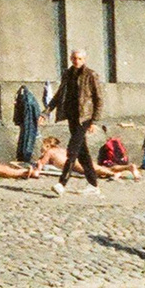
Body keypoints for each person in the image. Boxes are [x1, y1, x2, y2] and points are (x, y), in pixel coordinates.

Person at [51, 46, 104, 195]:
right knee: (83, 152)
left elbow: (98, 99)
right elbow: (59, 94)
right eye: (74, 58)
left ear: (84, 60)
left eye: (79, 58)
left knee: (72, 149)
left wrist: (94, 121)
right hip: (72, 116)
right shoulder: (67, 74)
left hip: (84, 117)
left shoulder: (91, 75)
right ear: (70, 59)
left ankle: (62, 183)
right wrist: (46, 111)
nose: (76, 61)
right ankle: (93, 185)